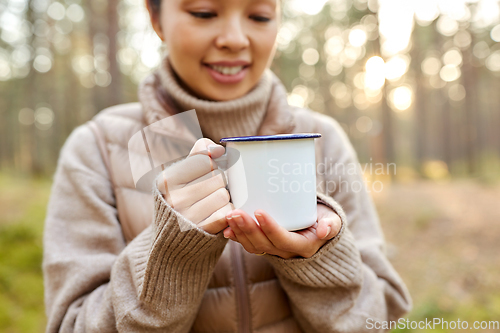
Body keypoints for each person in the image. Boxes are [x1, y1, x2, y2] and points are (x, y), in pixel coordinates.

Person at [42, 0, 412, 332]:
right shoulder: (99, 148)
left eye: (259, 15)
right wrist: (170, 258)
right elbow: (72, 325)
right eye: (204, 12)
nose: (234, 39)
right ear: (155, 17)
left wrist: (319, 259)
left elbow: (380, 318)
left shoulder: (322, 138)